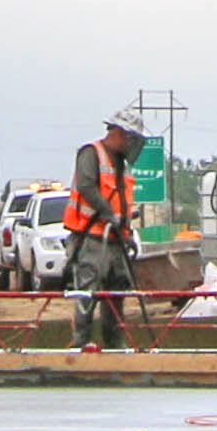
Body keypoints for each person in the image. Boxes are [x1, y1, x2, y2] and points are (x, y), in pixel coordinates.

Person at [59, 117, 151, 349]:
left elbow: (124, 203)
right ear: (118, 132)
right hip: (91, 238)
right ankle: (81, 341)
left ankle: (114, 342)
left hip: (115, 239)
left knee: (116, 292)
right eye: (130, 138)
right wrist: (107, 213)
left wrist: (127, 233)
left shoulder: (122, 164)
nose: (131, 145)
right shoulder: (91, 154)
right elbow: (87, 186)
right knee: (87, 291)